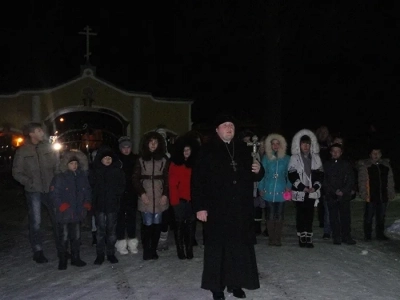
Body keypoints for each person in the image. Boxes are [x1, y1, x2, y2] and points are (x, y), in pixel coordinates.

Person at [191, 114, 265, 300]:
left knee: (238, 248)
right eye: (224, 125)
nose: (228, 128)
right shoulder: (206, 150)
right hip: (217, 209)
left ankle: (235, 283)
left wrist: (259, 171)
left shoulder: (241, 148)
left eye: (231, 125)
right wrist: (200, 207)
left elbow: (252, 174)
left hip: (240, 209)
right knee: (217, 250)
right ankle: (216, 287)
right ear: (217, 129)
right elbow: (197, 181)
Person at [12, 122, 61, 263]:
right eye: (39, 131)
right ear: (31, 133)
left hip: (50, 189)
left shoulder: (48, 147)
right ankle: (38, 250)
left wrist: (56, 182)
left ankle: (62, 248)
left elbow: (57, 165)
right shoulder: (23, 151)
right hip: (34, 191)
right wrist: (29, 182)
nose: (42, 133)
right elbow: (16, 172)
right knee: (36, 222)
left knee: (58, 219)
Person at [49, 150, 92, 270]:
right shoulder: (60, 178)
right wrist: (61, 205)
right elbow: (54, 194)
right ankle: (62, 259)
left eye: (76, 163)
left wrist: (87, 203)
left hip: (77, 212)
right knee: (63, 237)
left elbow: (87, 190)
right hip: (65, 213)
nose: (74, 165)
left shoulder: (81, 177)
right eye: (72, 163)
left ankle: (75, 257)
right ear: (66, 164)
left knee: (76, 237)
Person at [133, 131, 170, 260]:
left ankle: (153, 250)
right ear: (146, 144)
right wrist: (142, 194)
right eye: (151, 142)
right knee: (147, 224)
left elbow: (167, 178)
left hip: (159, 195)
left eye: (156, 142)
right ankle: (146, 250)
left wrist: (165, 194)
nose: (153, 145)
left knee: (157, 224)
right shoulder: (140, 159)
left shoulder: (164, 160)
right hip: (146, 195)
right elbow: (135, 179)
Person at [89, 146, 126, 265]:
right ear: (100, 159)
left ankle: (110, 253)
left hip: (112, 205)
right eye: (105, 158)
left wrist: (116, 195)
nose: (108, 160)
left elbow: (121, 185)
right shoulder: (95, 171)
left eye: (109, 158)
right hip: (99, 205)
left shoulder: (117, 171)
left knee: (111, 231)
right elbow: (91, 187)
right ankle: (100, 254)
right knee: (100, 231)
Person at [288, 129, 324, 248]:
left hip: (312, 192)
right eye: (304, 144)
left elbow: (320, 174)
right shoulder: (294, 158)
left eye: (308, 144)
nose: (306, 146)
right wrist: (303, 187)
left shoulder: (316, 158)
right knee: (301, 214)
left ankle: (309, 236)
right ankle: (301, 237)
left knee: (309, 215)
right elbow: (292, 174)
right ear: (299, 145)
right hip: (300, 192)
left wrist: (315, 187)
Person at [168, 135, 199, 259]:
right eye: (184, 150)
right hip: (179, 201)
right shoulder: (175, 165)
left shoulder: (195, 164)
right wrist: (174, 201)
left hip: (192, 200)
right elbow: (172, 184)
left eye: (189, 150)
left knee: (191, 226)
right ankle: (180, 250)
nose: (186, 152)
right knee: (179, 226)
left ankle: (189, 249)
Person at [257, 133, 291, 246]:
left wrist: (288, 186)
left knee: (280, 214)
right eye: (273, 144)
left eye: (278, 143)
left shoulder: (287, 158)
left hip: (282, 190)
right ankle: (272, 238)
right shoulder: (266, 158)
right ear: (270, 145)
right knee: (270, 214)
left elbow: (289, 174)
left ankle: (278, 238)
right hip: (268, 189)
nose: (275, 146)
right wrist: (260, 187)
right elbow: (262, 174)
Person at [358, 145, 396, 241]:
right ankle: (368, 235)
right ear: (370, 154)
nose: (376, 155)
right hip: (370, 195)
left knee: (381, 216)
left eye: (378, 153)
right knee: (369, 217)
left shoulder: (386, 166)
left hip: (383, 195)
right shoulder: (365, 165)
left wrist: (391, 192)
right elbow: (362, 180)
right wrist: (363, 193)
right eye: (374, 153)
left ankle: (380, 234)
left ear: (381, 154)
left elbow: (390, 180)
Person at [322, 143, 356, 245]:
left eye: (338, 151)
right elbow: (324, 180)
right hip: (331, 195)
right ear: (331, 152)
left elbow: (351, 179)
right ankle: (336, 237)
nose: (335, 153)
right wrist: (333, 191)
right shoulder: (326, 165)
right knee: (333, 217)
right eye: (334, 151)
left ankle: (346, 236)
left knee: (345, 217)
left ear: (341, 153)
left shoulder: (346, 164)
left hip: (344, 195)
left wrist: (344, 190)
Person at [115, 136, 139, 255]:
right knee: (120, 219)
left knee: (131, 219)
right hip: (119, 194)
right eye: (124, 147)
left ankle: (132, 241)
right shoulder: (116, 160)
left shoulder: (135, 159)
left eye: (128, 147)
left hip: (132, 193)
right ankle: (121, 242)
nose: (126, 149)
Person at [315, 125, 332, 239]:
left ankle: (327, 221)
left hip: (328, 174)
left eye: (325, 132)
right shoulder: (315, 144)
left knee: (326, 198)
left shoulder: (330, 144)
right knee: (319, 198)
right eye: (321, 132)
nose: (323, 134)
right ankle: (321, 220)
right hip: (317, 173)